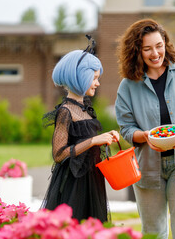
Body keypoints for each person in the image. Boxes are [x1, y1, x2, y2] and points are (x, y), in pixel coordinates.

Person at [115, 19, 175, 239]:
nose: (155, 53)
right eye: (147, 48)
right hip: (147, 168)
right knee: (153, 232)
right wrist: (144, 136)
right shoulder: (128, 85)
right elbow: (126, 128)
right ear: (137, 51)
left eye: (159, 45)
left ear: (165, 42)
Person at [41, 36, 120, 222]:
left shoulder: (84, 108)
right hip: (74, 183)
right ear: (80, 77)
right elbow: (59, 154)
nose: (97, 83)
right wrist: (93, 141)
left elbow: (85, 139)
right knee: (75, 226)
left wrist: (105, 136)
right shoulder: (66, 111)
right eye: (94, 78)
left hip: (92, 179)